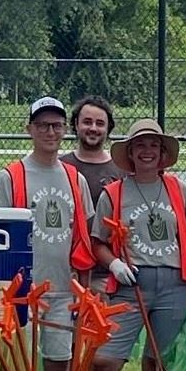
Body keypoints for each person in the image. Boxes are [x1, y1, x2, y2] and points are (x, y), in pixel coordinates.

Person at [86, 119, 186, 371]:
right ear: (130, 153)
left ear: (164, 153)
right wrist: (113, 265)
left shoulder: (179, 191)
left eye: (154, 145)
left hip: (173, 285)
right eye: (141, 146)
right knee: (105, 363)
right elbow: (98, 244)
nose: (148, 151)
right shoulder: (114, 194)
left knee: (155, 364)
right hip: (129, 284)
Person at [0, 96, 95, 371]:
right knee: (21, 363)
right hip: (22, 292)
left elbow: (83, 237)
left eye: (57, 125)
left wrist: (82, 286)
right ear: (29, 129)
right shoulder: (12, 176)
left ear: (65, 130)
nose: (51, 132)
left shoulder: (76, 179)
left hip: (62, 290)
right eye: (43, 125)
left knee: (59, 361)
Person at [61, 96, 121, 292]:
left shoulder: (121, 171)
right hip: (68, 271)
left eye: (100, 123)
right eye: (87, 122)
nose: (93, 128)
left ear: (108, 128)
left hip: (108, 273)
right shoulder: (61, 167)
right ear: (76, 125)